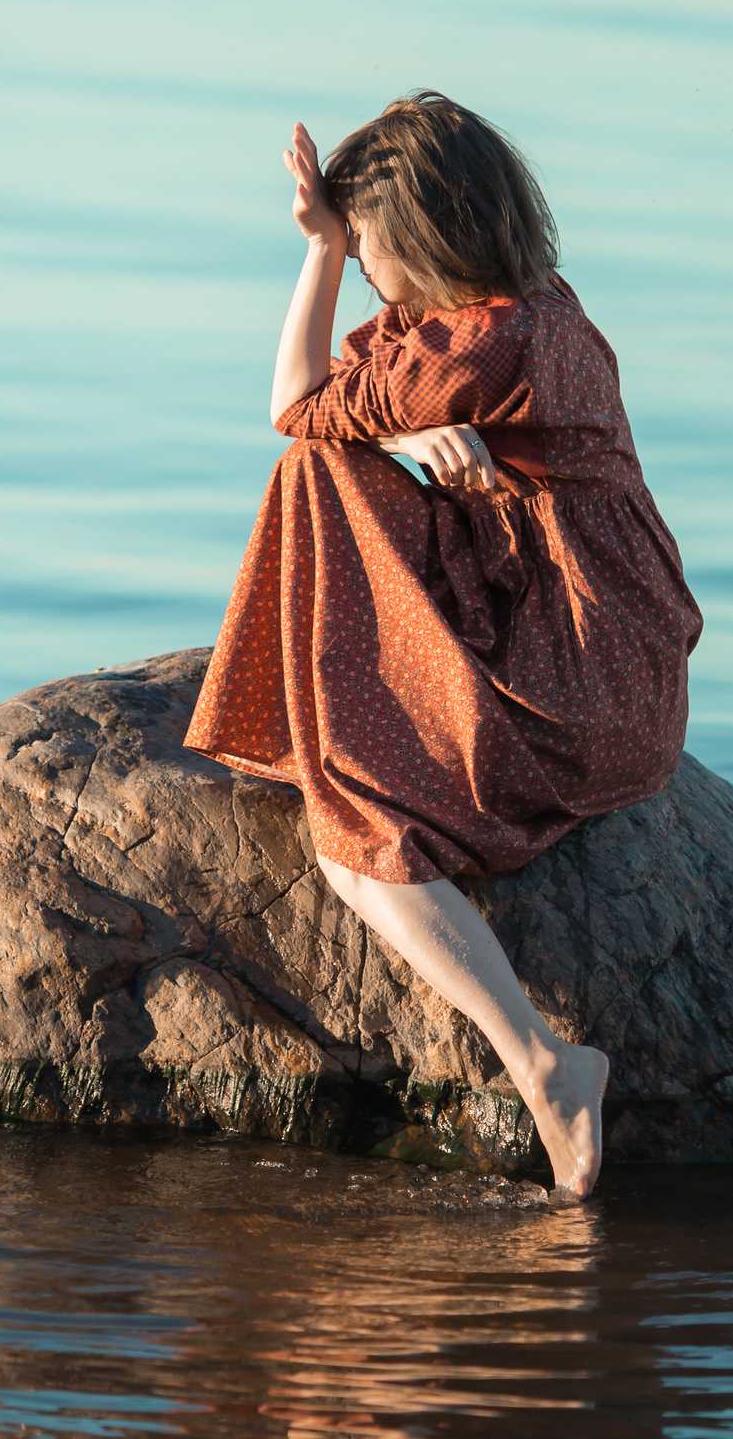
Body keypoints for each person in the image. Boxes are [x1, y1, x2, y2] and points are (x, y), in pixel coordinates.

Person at [185, 92, 704, 1201]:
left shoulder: (477, 342)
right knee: (335, 458)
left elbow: (291, 401)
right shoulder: (535, 308)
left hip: (568, 683)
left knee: (354, 832)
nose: (367, 273)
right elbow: (351, 409)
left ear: (419, 238)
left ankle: (542, 1062)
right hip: (617, 661)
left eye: (368, 248)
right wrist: (408, 428)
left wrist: (315, 255)